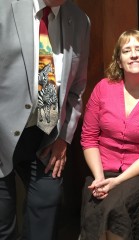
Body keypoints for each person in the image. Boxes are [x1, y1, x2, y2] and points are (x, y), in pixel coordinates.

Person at [0, 0, 90, 239]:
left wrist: (63, 138)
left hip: (45, 132)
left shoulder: (80, 20)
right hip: (2, 132)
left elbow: (77, 89)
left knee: (48, 201)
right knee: (3, 220)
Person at [79, 29, 139, 240]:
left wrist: (117, 181)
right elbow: (88, 138)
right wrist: (99, 177)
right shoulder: (102, 89)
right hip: (100, 171)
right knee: (96, 202)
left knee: (115, 205)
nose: (133, 55)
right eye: (126, 50)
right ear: (119, 61)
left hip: (137, 174)